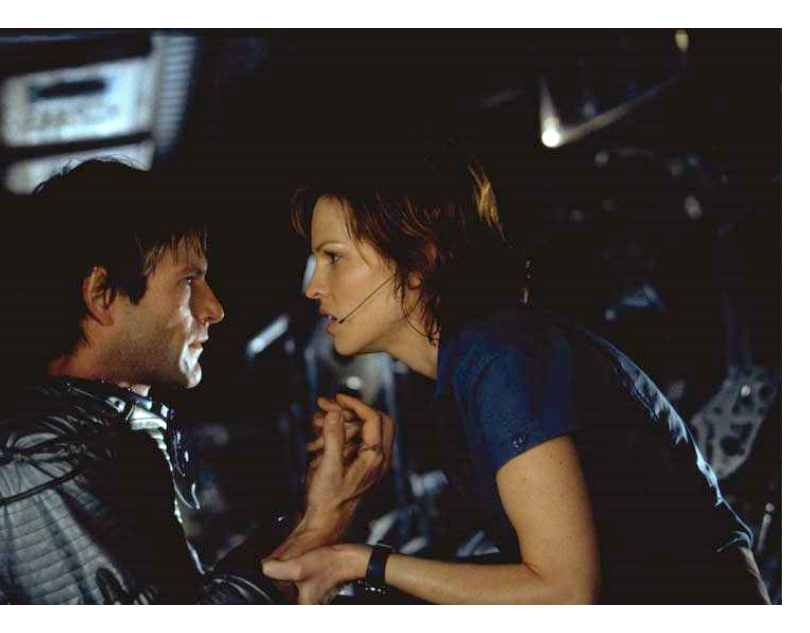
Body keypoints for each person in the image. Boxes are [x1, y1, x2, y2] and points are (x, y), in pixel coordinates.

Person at [262, 145, 771, 604]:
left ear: (418, 261)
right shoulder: (470, 366)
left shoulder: (500, 358)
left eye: (333, 257)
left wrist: (361, 563)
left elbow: (564, 590)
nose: (314, 287)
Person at [0, 159, 391, 604]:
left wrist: (309, 515)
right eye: (189, 281)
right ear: (102, 295)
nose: (214, 309)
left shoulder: (77, 444)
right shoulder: (38, 466)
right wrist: (321, 526)